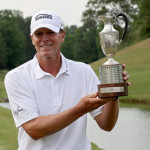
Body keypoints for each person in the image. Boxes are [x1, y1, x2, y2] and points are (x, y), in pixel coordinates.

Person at [4, 10, 130, 150]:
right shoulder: (16, 77)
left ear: (62, 35)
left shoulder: (84, 71)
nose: (44, 38)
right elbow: (34, 129)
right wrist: (80, 109)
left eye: (50, 32)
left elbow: (106, 124)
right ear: (32, 38)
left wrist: (113, 93)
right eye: (39, 33)